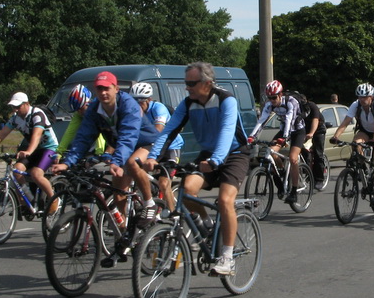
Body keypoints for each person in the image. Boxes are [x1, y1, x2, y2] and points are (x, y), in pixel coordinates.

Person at [145, 62, 251, 276]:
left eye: (192, 83)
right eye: (186, 83)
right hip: (208, 154)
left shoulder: (226, 100)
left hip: (234, 154)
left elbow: (227, 131)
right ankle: (208, 225)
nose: (187, 87)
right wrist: (153, 156)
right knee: (187, 190)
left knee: (225, 201)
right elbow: (169, 130)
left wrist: (216, 160)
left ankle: (227, 257)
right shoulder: (188, 104)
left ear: (207, 83)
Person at [50, 71, 144, 227]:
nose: (103, 92)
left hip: (142, 143)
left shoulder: (128, 104)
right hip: (120, 147)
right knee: (118, 191)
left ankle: (149, 204)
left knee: (132, 164)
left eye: (107, 88)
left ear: (116, 88)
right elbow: (81, 137)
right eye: (100, 89)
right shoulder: (93, 109)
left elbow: (127, 136)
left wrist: (111, 157)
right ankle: (124, 227)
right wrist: (66, 161)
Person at [0, 91, 60, 210]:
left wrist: (28, 151)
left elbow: (37, 135)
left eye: (18, 106)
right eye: (13, 107)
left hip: (49, 148)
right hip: (33, 149)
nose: (15, 110)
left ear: (27, 104)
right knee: (17, 170)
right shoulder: (15, 118)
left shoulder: (37, 114)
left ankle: (54, 198)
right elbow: (2, 134)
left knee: (36, 174)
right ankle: (27, 201)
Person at [330, 82, 374, 205]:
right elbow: (345, 122)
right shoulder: (356, 105)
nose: (362, 100)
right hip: (365, 131)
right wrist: (336, 136)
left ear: (371, 96)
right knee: (355, 144)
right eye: (360, 97)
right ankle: (363, 168)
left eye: (365, 97)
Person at [130, 81, 183, 214]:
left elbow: (157, 131)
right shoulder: (134, 111)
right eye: (134, 101)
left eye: (141, 101)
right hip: (154, 147)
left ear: (149, 99)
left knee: (164, 183)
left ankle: (174, 215)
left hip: (171, 147)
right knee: (136, 171)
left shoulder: (158, 109)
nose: (137, 105)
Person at [248, 80, 306, 195]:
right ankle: (282, 172)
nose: (272, 100)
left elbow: (290, 120)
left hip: (297, 131)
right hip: (284, 130)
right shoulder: (269, 105)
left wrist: (284, 137)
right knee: (271, 152)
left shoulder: (291, 102)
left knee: (293, 158)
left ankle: (294, 191)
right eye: (269, 98)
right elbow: (261, 121)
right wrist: (252, 136)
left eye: (274, 97)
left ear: (280, 94)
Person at [300, 94, 328, 191]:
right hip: (305, 130)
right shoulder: (296, 108)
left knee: (318, 153)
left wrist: (311, 133)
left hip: (318, 129)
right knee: (303, 152)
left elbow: (315, 120)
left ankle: (319, 179)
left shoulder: (312, 106)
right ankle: (308, 173)